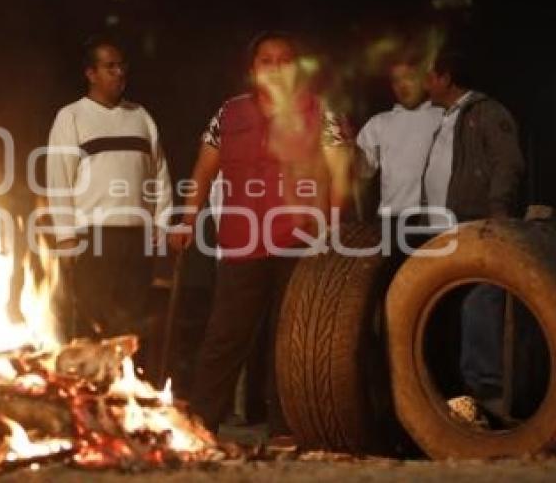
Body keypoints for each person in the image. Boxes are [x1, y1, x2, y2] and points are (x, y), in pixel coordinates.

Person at [169, 31, 353, 439]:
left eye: (284, 60)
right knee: (225, 336)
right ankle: (200, 426)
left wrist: (332, 230)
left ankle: (285, 429)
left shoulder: (321, 111)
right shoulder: (229, 114)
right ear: (252, 71)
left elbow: (341, 174)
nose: (275, 67)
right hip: (241, 241)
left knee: (288, 339)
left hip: (300, 239)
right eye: (265, 60)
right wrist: (185, 221)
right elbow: (204, 170)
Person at [45, 36, 172, 354]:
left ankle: (127, 392)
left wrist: (162, 224)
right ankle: (86, 393)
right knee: (93, 322)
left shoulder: (141, 116)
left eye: (122, 66)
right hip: (94, 236)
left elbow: (159, 174)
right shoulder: (71, 116)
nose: (119, 73)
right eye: (109, 66)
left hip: (138, 236)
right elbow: (58, 178)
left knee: (131, 324)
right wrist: (65, 236)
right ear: (91, 73)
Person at [422, 47, 525, 421]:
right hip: (441, 227)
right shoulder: (443, 117)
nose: (423, 83)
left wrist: (497, 214)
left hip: (477, 223)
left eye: (428, 75)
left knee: (481, 302)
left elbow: (508, 163)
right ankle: (454, 398)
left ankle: (489, 395)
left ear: (446, 76)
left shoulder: (487, 113)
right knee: (445, 310)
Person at [357, 51, 443, 218]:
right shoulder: (379, 123)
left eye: (409, 77)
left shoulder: (445, 118)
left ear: (425, 81)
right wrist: (351, 151)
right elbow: (364, 171)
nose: (402, 85)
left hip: (436, 219)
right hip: (393, 219)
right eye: (396, 80)